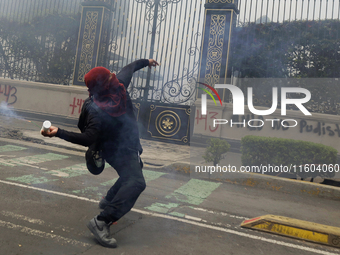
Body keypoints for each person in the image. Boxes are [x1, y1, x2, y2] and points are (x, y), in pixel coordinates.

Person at [41, 59, 160, 248]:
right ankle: (102, 221)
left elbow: (129, 68)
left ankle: (109, 199)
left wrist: (147, 62)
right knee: (136, 182)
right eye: (110, 76)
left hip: (129, 144)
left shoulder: (118, 87)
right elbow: (88, 138)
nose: (114, 76)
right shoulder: (96, 109)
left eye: (112, 75)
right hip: (114, 149)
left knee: (135, 171)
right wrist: (59, 133)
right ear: (103, 85)